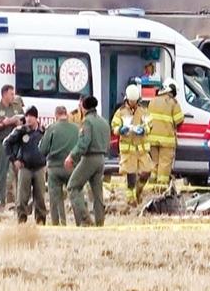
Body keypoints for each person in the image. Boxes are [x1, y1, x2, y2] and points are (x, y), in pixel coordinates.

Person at [66, 96, 111, 227]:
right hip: (101, 159)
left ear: (84, 107)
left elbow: (84, 143)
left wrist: (72, 156)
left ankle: (85, 219)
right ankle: (99, 222)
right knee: (97, 194)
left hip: (89, 158)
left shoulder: (87, 122)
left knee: (73, 186)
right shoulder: (103, 122)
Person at [4, 106, 47, 224]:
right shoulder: (20, 131)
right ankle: (21, 219)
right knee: (22, 197)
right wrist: (13, 159)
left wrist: (47, 161)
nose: (28, 119)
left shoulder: (43, 132)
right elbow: (6, 143)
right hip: (25, 167)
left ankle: (41, 220)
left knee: (40, 197)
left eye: (31, 116)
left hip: (39, 168)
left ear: (36, 118)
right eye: (26, 116)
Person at [112, 84, 152, 205]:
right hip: (128, 150)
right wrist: (120, 130)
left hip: (142, 149)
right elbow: (114, 126)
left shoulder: (144, 110)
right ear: (127, 99)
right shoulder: (121, 112)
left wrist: (144, 129)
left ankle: (138, 190)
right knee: (130, 174)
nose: (133, 103)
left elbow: (150, 124)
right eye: (131, 101)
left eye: (135, 101)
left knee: (147, 171)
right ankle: (130, 199)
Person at [40, 106, 80, 226]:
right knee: (75, 195)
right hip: (72, 167)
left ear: (56, 115)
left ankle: (59, 223)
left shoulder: (51, 128)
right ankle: (80, 221)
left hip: (55, 168)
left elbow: (43, 149)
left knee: (55, 198)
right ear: (66, 114)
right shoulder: (76, 129)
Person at [0, 85, 25, 207]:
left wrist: (18, 122)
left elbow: (24, 121)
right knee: (2, 172)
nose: (13, 96)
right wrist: (6, 123)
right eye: (11, 94)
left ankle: (21, 201)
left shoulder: (17, 107)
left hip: (16, 144)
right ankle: (0, 201)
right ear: (4, 94)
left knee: (19, 172)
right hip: (2, 143)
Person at [148, 78, 185, 186]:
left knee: (154, 163)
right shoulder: (173, 103)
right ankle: (161, 186)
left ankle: (152, 185)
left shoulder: (153, 100)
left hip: (152, 139)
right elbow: (179, 120)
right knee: (164, 164)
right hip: (166, 140)